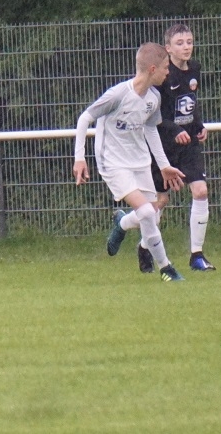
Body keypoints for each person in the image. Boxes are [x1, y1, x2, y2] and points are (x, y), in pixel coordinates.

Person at [74, 42, 187, 281]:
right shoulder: (118, 95)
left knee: (153, 216)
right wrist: (79, 158)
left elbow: (151, 130)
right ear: (153, 69)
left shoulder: (154, 97)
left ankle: (123, 223)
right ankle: (166, 269)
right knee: (146, 212)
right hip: (113, 162)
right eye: (166, 67)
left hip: (140, 161)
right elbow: (85, 118)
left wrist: (164, 165)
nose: (168, 72)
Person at [114, 24, 215, 274]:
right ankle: (135, 236)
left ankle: (197, 255)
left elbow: (190, 104)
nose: (186, 47)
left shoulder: (195, 69)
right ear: (168, 48)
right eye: (180, 43)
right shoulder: (161, 76)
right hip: (163, 145)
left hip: (188, 145)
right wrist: (174, 130)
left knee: (200, 191)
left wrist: (199, 126)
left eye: (189, 41)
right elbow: (154, 117)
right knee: (159, 203)